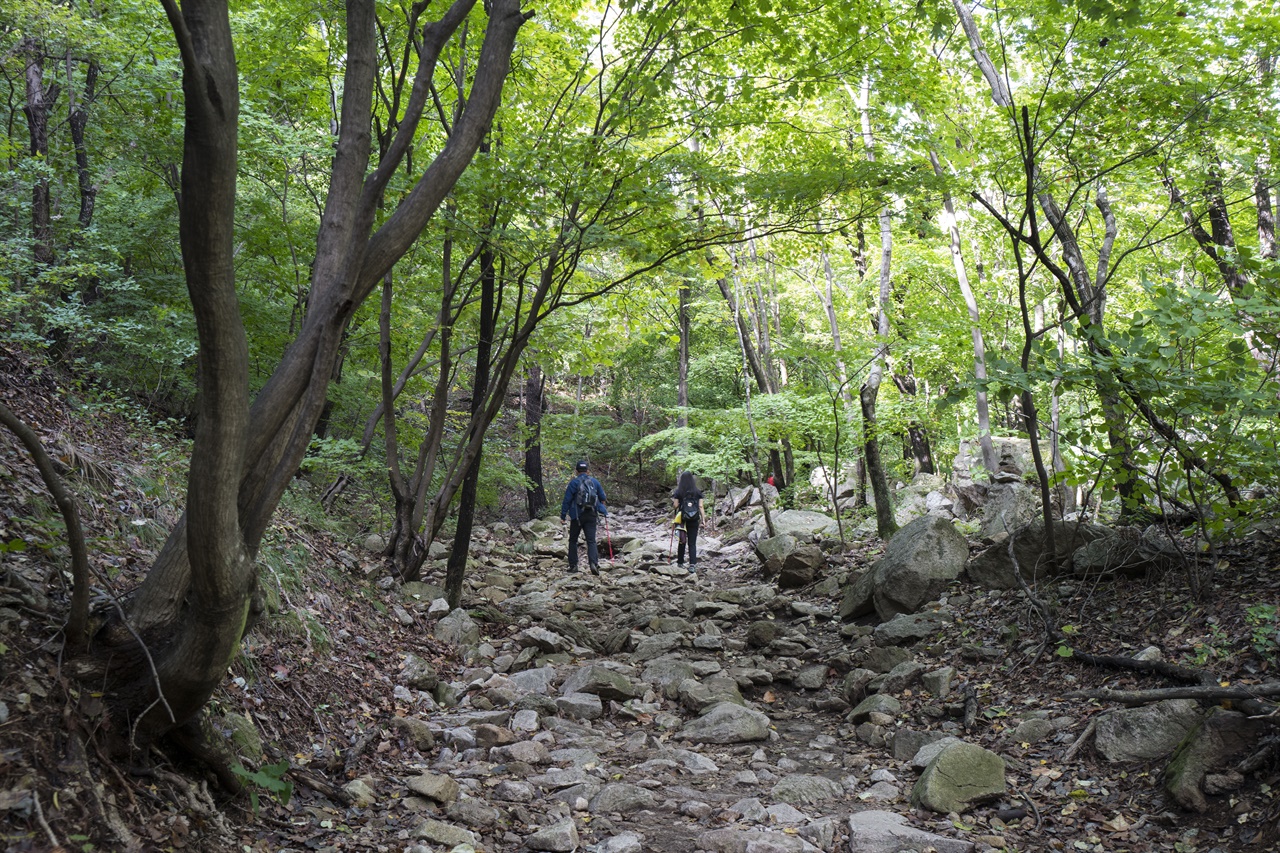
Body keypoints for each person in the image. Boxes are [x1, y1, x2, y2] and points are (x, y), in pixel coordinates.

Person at [560, 459, 608, 575]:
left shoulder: (573, 483)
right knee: (591, 541)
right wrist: (603, 510)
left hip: (577, 516)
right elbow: (602, 497)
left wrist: (563, 516)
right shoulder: (595, 482)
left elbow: (567, 500)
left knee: (573, 540)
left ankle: (573, 566)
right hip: (591, 514)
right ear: (588, 471)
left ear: (576, 471)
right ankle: (593, 564)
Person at [670, 470, 705, 574]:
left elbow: (675, 506)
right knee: (692, 543)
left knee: (682, 540)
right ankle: (692, 565)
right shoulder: (697, 492)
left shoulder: (679, 491)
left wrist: (677, 503)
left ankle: (680, 563)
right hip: (694, 519)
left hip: (682, 519)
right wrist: (703, 519)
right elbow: (700, 506)